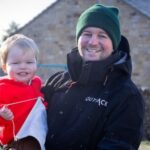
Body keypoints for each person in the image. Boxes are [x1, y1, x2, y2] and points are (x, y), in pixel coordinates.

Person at [41, 3, 145, 150]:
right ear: (78, 38)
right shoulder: (57, 81)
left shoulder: (127, 95)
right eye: (87, 34)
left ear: (114, 44)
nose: (93, 42)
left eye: (102, 35)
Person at [0, 34, 47, 150]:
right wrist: (2, 115)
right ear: (4, 67)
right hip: (17, 141)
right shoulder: (3, 87)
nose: (23, 67)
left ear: (36, 64)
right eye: (16, 63)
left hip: (39, 136)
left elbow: (41, 102)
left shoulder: (37, 83)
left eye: (29, 62)